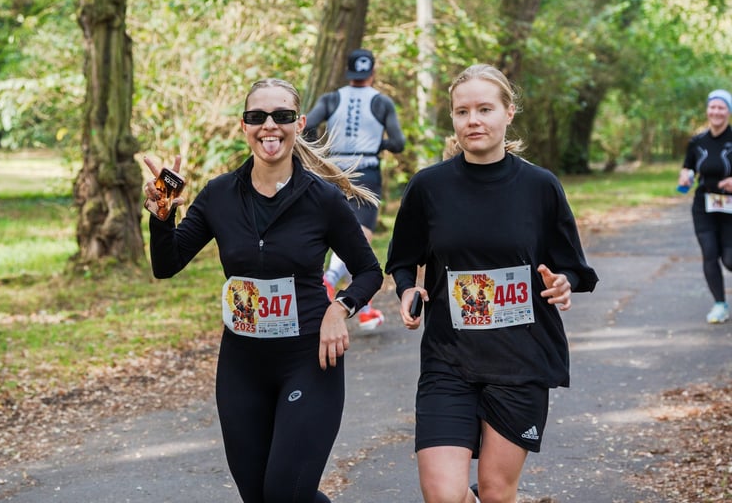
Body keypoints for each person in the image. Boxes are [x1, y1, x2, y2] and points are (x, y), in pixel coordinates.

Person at [144, 78, 383, 503]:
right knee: (259, 497)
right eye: (257, 117)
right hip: (242, 365)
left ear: (299, 124)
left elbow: (368, 271)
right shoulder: (219, 195)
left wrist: (339, 308)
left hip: (309, 359)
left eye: (282, 116)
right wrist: (163, 209)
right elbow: (167, 265)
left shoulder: (322, 199)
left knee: (285, 493)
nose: (269, 125)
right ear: (244, 126)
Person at [385, 64, 599, 503]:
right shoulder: (429, 187)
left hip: (520, 360)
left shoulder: (540, 186)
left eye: (485, 109)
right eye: (462, 112)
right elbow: (402, 260)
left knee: (498, 494)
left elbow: (574, 267)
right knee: (443, 495)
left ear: (508, 113)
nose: (473, 121)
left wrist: (564, 283)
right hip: (449, 360)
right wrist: (407, 289)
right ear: (453, 118)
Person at [304, 48, 406, 331]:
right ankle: (331, 280)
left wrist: (320, 150)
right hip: (366, 170)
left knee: (338, 233)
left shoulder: (331, 98)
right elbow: (398, 143)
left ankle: (364, 308)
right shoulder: (381, 102)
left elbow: (307, 125)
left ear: (348, 71)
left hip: (333, 169)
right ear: (372, 72)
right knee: (359, 237)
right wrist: (378, 144)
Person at [678, 88, 732, 324]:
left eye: (721, 107)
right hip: (704, 205)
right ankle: (720, 304)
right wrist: (685, 177)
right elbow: (688, 167)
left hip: (730, 208)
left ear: (728, 112)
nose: (716, 111)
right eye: (713, 107)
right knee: (709, 253)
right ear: (707, 110)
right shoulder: (697, 141)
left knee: (729, 259)